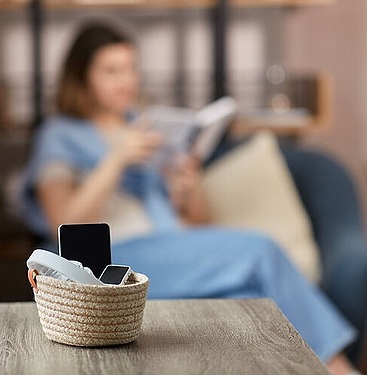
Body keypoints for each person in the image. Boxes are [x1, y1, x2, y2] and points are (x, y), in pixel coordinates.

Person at [19, 21, 360, 375]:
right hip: (113, 260)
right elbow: (61, 219)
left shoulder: (146, 125)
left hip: (173, 248)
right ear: (82, 77)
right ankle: (339, 369)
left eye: (131, 68)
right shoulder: (58, 136)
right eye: (111, 70)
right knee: (261, 250)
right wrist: (116, 160)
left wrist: (188, 182)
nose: (127, 81)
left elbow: (200, 224)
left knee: (249, 298)